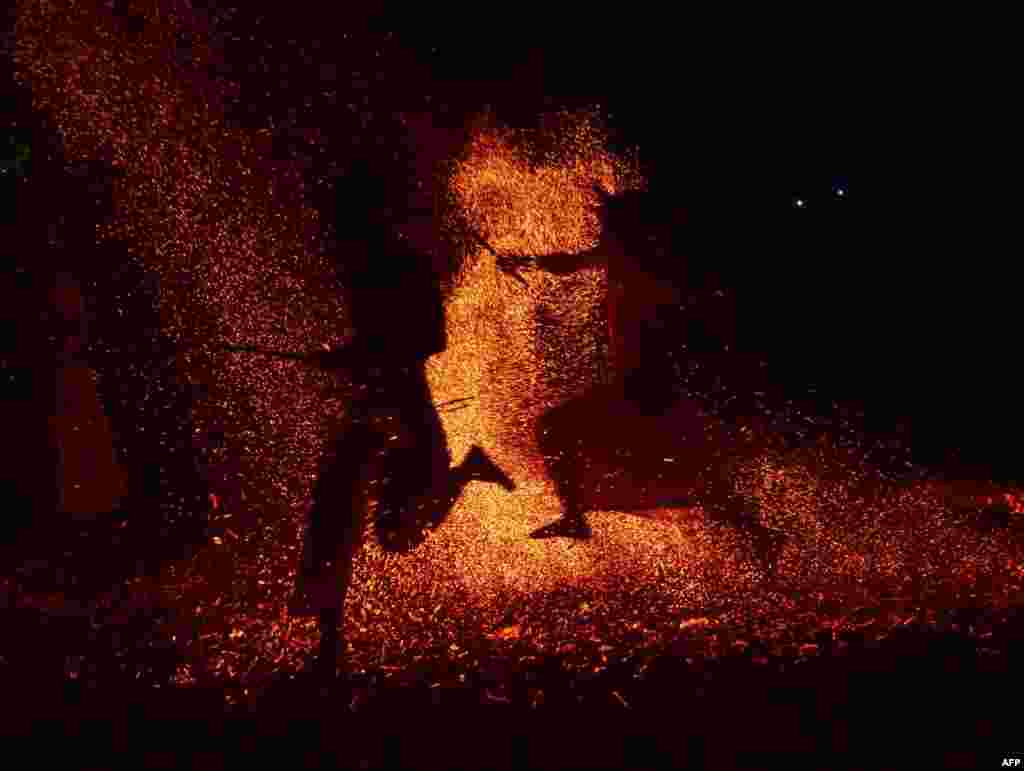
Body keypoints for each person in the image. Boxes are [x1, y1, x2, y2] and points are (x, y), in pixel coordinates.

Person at [288, 166, 516, 677]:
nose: (331, 234)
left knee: (396, 535)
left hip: (405, 408)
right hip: (370, 407)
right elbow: (388, 342)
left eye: (339, 221)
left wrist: (360, 355)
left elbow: (430, 341)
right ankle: (330, 637)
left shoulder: (404, 266)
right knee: (335, 514)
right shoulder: (365, 266)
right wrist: (351, 357)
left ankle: (466, 472)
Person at [501, 185, 787, 576]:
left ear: (625, 230)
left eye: (605, 222)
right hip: (651, 387)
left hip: (648, 389)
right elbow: (570, 263)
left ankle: (574, 515)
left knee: (556, 429)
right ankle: (758, 535)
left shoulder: (643, 266)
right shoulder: (631, 258)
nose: (599, 230)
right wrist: (527, 262)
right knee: (688, 477)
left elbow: (583, 264)